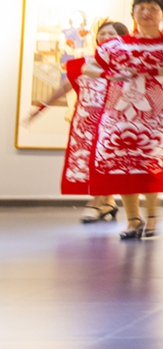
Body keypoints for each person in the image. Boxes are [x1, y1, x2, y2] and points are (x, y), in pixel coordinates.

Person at [83, 0, 163, 240]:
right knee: (122, 166)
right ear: (133, 13)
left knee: (148, 167)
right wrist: (108, 74)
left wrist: (154, 71)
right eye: (141, 8)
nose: (146, 12)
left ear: (162, 14)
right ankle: (133, 219)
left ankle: (153, 214)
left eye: (153, 8)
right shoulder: (115, 45)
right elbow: (87, 67)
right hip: (117, 113)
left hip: (153, 115)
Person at [27, 21, 130, 223]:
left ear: (121, 39)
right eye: (102, 34)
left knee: (105, 161)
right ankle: (108, 203)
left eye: (111, 34)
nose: (105, 37)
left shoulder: (127, 66)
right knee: (90, 162)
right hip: (86, 122)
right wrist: (42, 107)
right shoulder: (86, 63)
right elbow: (65, 88)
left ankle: (94, 202)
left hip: (114, 122)